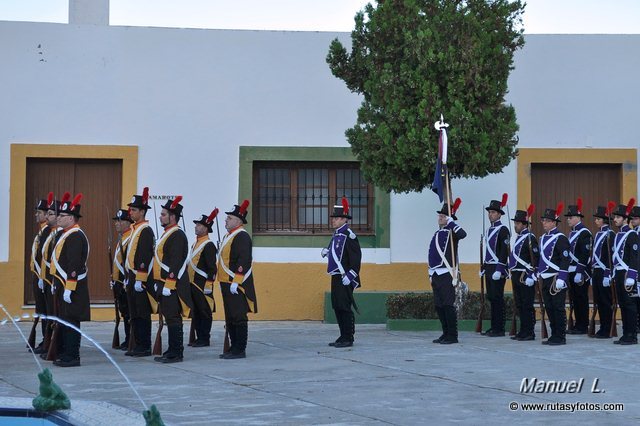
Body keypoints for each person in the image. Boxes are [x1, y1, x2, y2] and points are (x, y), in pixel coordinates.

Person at [50, 193, 90, 367]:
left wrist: (69, 287)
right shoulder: (65, 234)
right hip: (63, 284)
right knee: (65, 320)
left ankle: (73, 355)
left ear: (72, 218)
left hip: (72, 286)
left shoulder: (75, 236)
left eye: (62, 216)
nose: (58, 218)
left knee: (72, 320)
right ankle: (66, 352)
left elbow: (74, 263)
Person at [153, 196, 193, 363]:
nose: (160, 216)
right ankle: (171, 350)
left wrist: (169, 284)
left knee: (173, 318)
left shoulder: (177, 235)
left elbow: (175, 262)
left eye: (163, 214)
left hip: (172, 285)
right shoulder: (167, 234)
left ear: (173, 217)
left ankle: (177, 352)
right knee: (169, 317)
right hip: (163, 283)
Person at [217, 200, 258, 359]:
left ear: (238, 221)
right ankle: (233, 346)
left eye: (229, 218)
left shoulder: (241, 236)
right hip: (226, 282)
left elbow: (243, 260)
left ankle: (240, 348)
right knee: (230, 316)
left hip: (236, 283)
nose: (226, 220)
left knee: (238, 316)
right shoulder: (230, 236)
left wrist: (236, 281)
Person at [321, 197, 362, 348]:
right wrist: (327, 251)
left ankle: (348, 337)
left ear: (344, 219)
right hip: (336, 274)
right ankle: (342, 335)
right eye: (333, 218)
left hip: (345, 276)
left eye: (336, 218)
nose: (333, 220)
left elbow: (356, 259)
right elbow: (337, 251)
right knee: (337, 306)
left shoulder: (349, 235)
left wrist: (351, 275)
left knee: (344, 306)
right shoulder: (337, 234)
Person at [428, 199, 466, 344]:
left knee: (448, 305)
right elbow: (432, 254)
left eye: (443, 216)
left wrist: (452, 223)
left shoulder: (452, 232)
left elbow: (463, 234)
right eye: (440, 216)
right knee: (439, 305)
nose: (440, 218)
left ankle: (452, 335)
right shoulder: (438, 233)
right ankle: (445, 333)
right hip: (436, 273)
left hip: (447, 273)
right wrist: (430, 272)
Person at [125, 187, 157, 357]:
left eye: (134, 210)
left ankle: (144, 345)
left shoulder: (145, 230)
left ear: (143, 212)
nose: (131, 212)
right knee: (134, 312)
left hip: (140, 277)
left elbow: (144, 255)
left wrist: (140, 278)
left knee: (142, 312)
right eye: (131, 209)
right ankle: (137, 343)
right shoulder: (135, 229)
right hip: (132, 276)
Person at [537, 204, 571, 345]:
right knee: (549, 307)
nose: (543, 223)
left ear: (553, 222)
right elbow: (541, 259)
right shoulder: (543, 238)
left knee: (558, 307)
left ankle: (560, 336)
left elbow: (565, 258)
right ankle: (553, 334)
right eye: (543, 220)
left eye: (546, 220)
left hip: (556, 278)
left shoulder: (560, 238)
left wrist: (562, 278)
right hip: (545, 277)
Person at [187, 209, 219, 347]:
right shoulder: (195, 244)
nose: (196, 226)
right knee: (196, 312)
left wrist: (208, 285)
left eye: (199, 225)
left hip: (202, 285)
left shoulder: (208, 245)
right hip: (192, 283)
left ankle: (204, 338)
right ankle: (198, 336)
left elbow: (212, 268)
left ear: (206, 228)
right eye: (196, 224)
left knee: (204, 311)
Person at [507, 205, 539, 341]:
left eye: (518, 223)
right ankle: (523, 330)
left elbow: (535, 259)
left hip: (525, 276)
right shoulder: (519, 237)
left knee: (527, 304)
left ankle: (529, 332)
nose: (515, 226)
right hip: (516, 275)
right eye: (515, 223)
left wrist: (532, 276)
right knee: (519, 304)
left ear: (524, 224)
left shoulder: (530, 237)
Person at [28, 194, 54, 354]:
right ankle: (45, 340)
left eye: (40, 212)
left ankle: (47, 340)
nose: (36, 215)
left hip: (44, 277)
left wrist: (42, 277)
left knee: (46, 311)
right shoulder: (42, 231)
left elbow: (45, 257)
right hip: (39, 276)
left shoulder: (47, 232)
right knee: (42, 310)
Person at [611, 200, 639, 345]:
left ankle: (632, 335)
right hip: (619, 273)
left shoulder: (632, 235)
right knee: (623, 304)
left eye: (617, 217)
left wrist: (632, 276)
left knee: (630, 305)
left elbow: (635, 257)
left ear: (625, 219)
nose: (615, 219)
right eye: (615, 217)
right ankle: (626, 333)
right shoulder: (618, 235)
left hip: (628, 274)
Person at [482, 195, 510, 337]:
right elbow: (487, 251)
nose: (490, 214)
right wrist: (484, 267)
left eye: (493, 212)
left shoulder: (503, 230)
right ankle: (493, 326)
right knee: (491, 297)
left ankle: (499, 328)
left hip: (498, 268)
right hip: (489, 268)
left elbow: (504, 251)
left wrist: (500, 269)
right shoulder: (488, 230)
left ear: (499, 214)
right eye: (489, 212)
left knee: (498, 298)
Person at [564, 198, 593, 335]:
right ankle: (577, 323)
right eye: (568, 217)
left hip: (580, 272)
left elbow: (584, 254)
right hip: (572, 270)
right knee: (574, 299)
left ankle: (583, 325)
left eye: (570, 217)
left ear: (577, 218)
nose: (568, 220)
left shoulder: (584, 233)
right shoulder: (572, 232)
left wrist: (579, 271)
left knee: (581, 298)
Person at [39, 194, 62, 360]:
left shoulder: (59, 234)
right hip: (46, 278)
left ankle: (54, 345)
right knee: (45, 312)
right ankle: (46, 342)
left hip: (54, 280)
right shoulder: (48, 232)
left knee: (54, 314)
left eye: (51, 214)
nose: (47, 216)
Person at [591, 204, 615, 338]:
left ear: (604, 220)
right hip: (597, 271)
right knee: (599, 300)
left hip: (604, 272)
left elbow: (609, 257)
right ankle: (603, 327)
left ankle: (607, 328)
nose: (596, 221)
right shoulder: (599, 233)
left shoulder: (610, 234)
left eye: (598, 219)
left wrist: (607, 274)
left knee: (606, 301)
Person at [111, 209, 133, 350]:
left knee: (130, 312)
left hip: (126, 282)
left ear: (128, 223)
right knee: (124, 312)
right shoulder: (121, 238)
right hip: (119, 282)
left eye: (120, 221)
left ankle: (132, 339)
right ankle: (127, 339)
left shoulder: (130, 237)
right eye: (116, 221)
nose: (116, 224)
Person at [628, 205, 640, 333]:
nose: (633, 221)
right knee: (635, 298)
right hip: (635, 271)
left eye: (636, 218)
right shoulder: (632, 233)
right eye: (632, 219)